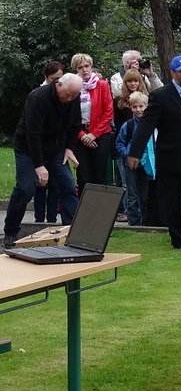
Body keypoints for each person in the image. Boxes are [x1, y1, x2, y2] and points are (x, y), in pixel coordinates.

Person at [128, 55, 181, 250]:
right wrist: (135, 152)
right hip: (170, 154)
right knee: (172, 197)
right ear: (173, 73)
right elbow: (146, 125)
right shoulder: (161, 96)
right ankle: (178, 236)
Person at [4, 74, 82, 249]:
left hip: (55, 149)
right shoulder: (38, 97)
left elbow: (76, 124)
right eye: (67, 94)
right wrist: (39, 165)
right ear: (58, 84)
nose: (70, 99)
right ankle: (10, 231)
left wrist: (69, 148)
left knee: (68, 186)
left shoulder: (73, 97)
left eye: (74, 96)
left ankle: (72, 233)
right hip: (28, 148)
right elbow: (33, 133)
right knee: (25, 189)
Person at [71, 53, 114, 191]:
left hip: (101, 133)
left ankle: (98, 211)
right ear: (75, 70)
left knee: (99, 175)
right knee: (83, 176)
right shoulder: (73, 87)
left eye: (87, 66)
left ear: (91, 66)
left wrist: (94, 134)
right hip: (80, 134)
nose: (84, 70)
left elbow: (108, 112)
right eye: (80, 67)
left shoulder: (102, 85)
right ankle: (83, 211)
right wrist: (83, 135)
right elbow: (70, 116)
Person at [33, 61, 66, 224]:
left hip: (55, 146)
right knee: (40, 184)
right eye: (54, 79)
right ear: (47, 77)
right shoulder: (38, 95)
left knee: (55, 185)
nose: (57, 82)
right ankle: (39, 218)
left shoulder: (63, 95)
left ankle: (52, 218)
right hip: (40, 145)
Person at [115, 91, 153, 225]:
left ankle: (146, 221)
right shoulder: (128, 125)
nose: (138, 110)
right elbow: (119, 143)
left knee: (145, 194)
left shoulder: (151, 124)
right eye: (135, 107)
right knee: (132, 194)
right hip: (131, 165)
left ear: (146, 106)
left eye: (141, 106)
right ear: (130, 108)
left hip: (147, 164)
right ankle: (134, 222)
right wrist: (127, 153)